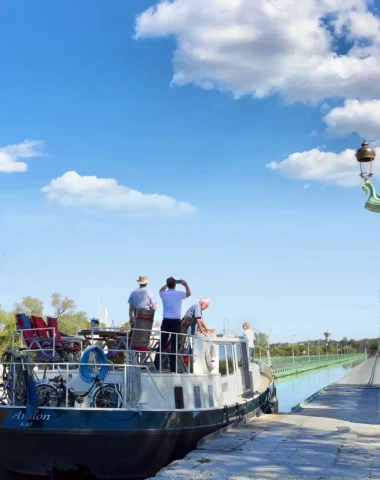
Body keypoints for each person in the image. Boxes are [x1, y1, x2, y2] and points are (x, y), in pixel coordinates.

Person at [154, 277, 191, 373]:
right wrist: (185, 284)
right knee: (174, 346)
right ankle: (173, 369)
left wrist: (168, 284)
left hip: (166, 321)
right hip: (176, 322)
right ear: (175, 285)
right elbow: (189, 293)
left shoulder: (164, 294)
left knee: (162, 344)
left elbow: (161, 290)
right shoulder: (179, 294)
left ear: (167, 284)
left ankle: (156, 365)